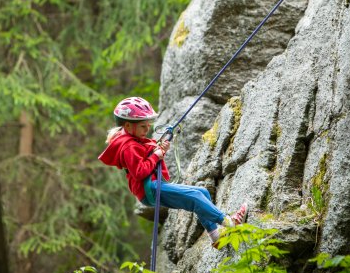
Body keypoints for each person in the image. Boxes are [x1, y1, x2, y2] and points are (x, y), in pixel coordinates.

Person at [98, 97, 248, 247]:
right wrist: (156, 156)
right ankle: (229, 222)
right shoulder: (128, 146)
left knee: (203, 192)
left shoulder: (132, 139)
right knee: (195, 197)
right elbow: (139, 172)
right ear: (128, 126)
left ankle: (216, 237)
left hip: (151, 186)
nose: (147, 129)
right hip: (149, 188)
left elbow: (144, 156)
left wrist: (159, 149)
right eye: (143, 126)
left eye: (148, 125)